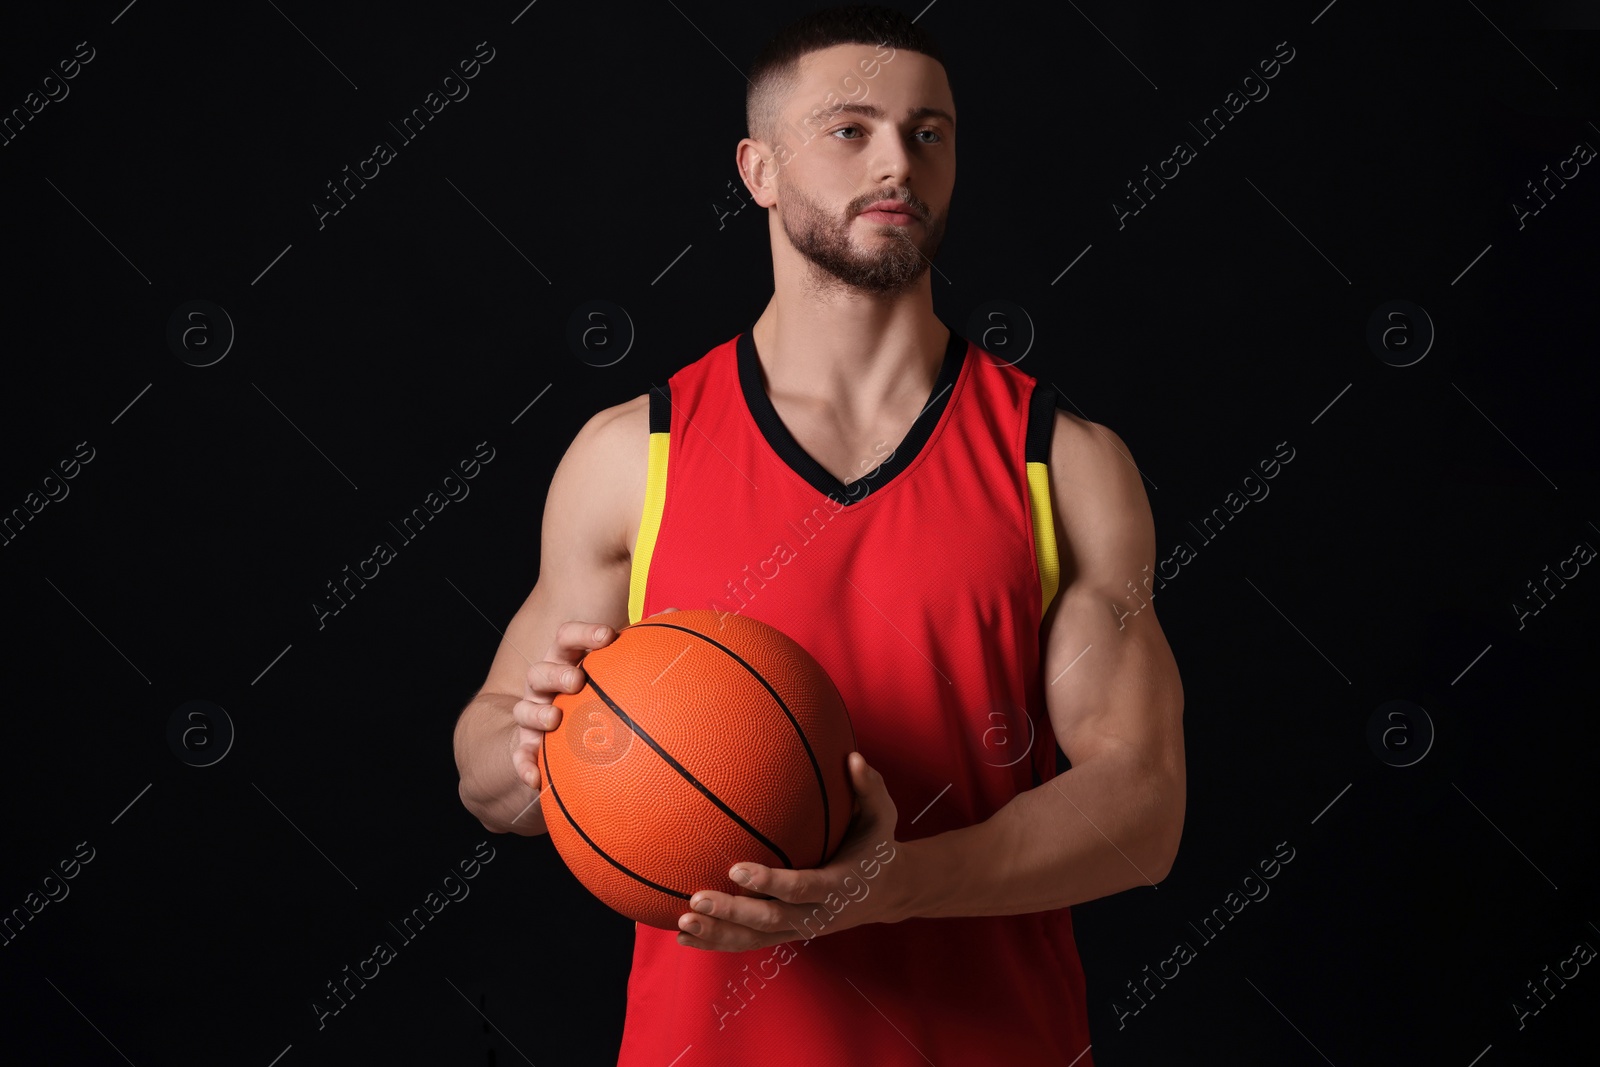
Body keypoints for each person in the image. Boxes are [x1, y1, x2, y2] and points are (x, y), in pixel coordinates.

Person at [453, 6, 1185, 1063]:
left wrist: (889, 888)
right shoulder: (633, 453)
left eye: (926, 132)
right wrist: (533, 743)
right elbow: (487, 777)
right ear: (757, 169)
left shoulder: (1059, 460)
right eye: (850, 129)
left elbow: (1144, 804)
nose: (897, 160)